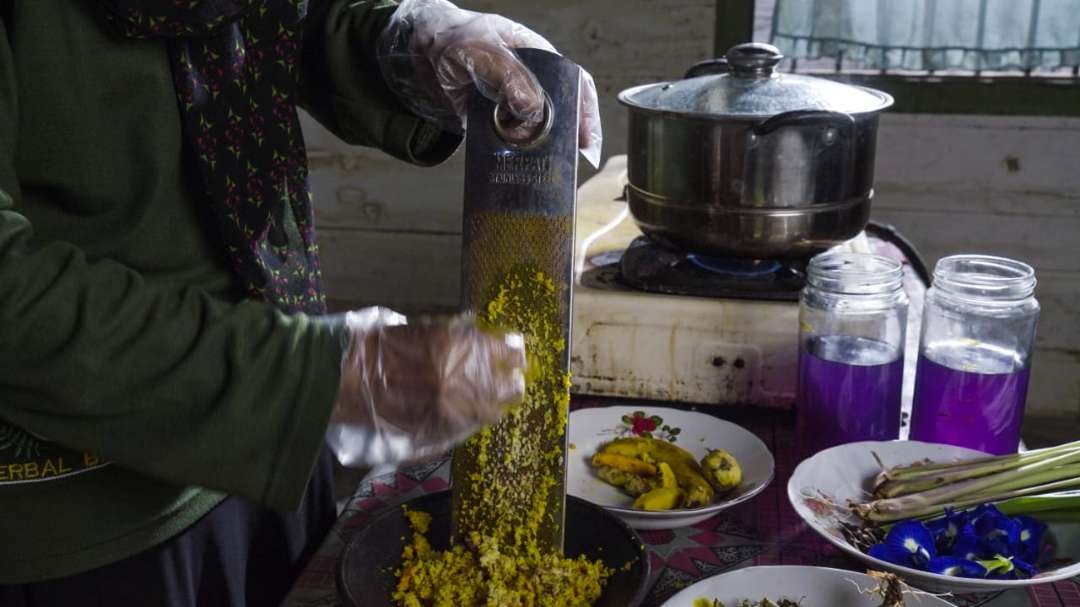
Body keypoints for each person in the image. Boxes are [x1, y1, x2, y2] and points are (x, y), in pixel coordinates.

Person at [0, 0, 601, 604]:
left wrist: (399, 48)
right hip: (90, 514)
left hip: (275, 442)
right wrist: (311, 381)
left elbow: (279, 21)